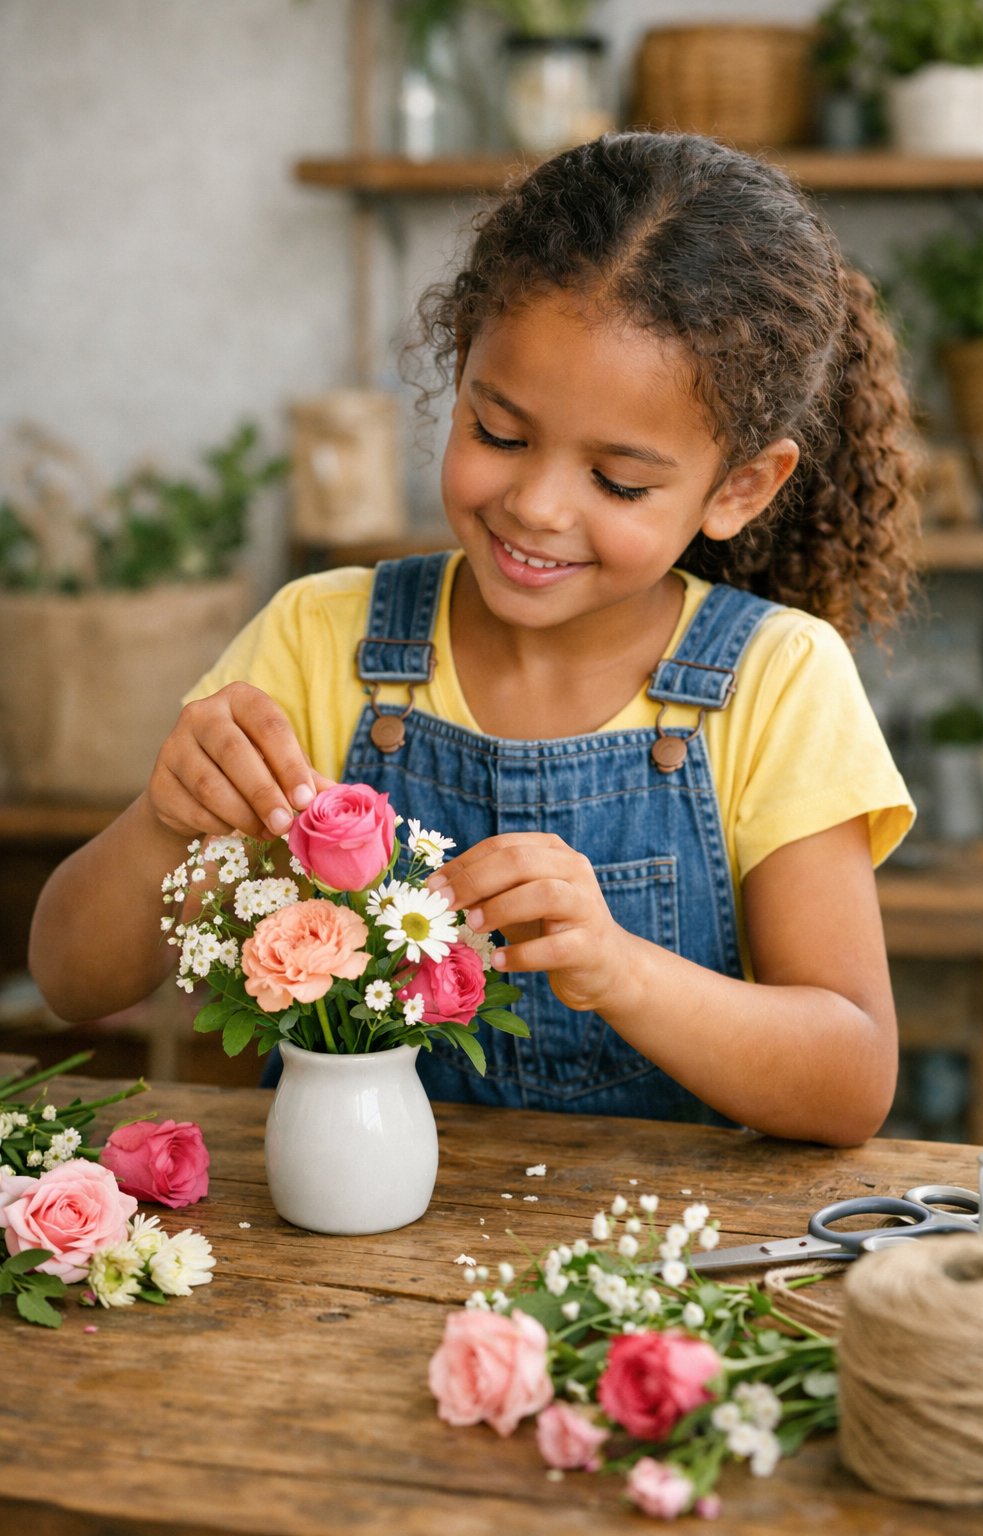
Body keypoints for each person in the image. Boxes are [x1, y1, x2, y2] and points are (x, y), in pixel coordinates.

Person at [30, 134, 918, 1146]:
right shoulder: (319, 639)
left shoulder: (778, 680)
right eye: (499, 432)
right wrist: (163, 821)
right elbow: (70, 981)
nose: (537, 505)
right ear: (461, 366)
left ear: (740, 487)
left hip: (648, 1241)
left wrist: (619, 970)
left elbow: (851, 1081)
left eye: (619, 482)